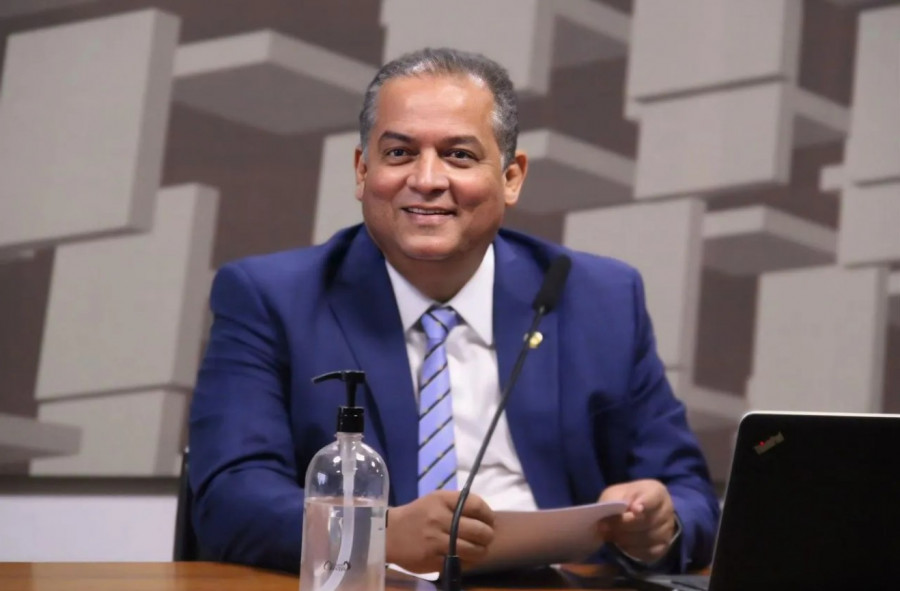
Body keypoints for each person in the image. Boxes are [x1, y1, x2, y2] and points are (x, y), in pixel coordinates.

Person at [189, 47, 719, 576]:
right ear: (362, 170)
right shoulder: (270, 298)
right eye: (399, 153)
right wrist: (376, 535)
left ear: (511, 177)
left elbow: (689, 495)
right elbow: (229, 500)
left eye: (459, 155)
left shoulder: (599, 298)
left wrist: (659, 526)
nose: (427, 179)